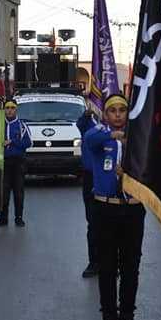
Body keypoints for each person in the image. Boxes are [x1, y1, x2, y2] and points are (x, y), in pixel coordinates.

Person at [85, 94, 144, 320]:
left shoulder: (140, 137)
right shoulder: (100, 134)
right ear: (106, 114)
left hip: (132, 209)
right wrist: (113, 135)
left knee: (130, 269)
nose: (118, 115)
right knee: (107, 269)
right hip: (105, 209)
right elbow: (89, 139)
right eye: (113, 110)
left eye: (122, 110)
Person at [0, 99, 32, 227]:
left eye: (12, 108)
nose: (10, 110)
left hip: (18, 162)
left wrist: (13, 141)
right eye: (7, 108)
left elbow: (29, 143)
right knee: (3, 192)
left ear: (16, 110)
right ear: (4, 109)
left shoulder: (22, 126)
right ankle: (3, 218)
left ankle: (18, 218)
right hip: (3, 161)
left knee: (18, 191)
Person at [76, 102, 100, 278]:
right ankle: (94, 262)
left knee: (110, 224)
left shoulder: (114, 125)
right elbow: (80, 125)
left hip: (110, 177)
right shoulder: (88, 123)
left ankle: (111, 263)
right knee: (92, 223)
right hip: (90, 177)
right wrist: (87, 113)